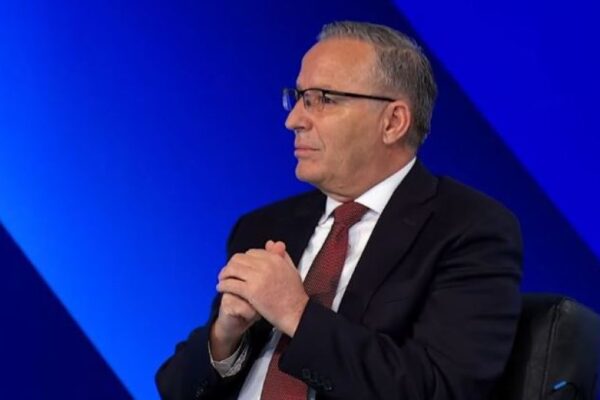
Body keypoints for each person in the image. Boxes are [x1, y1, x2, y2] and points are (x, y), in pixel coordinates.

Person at [155, 21, 523, 400]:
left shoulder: (469, 229)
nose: (293, 120)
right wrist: (225, 337)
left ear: (393, 122)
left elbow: (439, 389)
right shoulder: (263, 226)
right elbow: (173, 389)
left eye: (323, 99)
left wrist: (296, 313)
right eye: (298, 97)